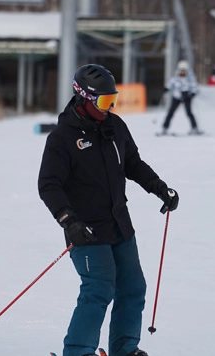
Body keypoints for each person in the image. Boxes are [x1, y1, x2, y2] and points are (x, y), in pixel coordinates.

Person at [38, 64, 180, 356]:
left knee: (133, 287)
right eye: (104, 101)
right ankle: (78, 351)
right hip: (86, 229)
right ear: (84, 98)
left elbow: (133, 164)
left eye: (112, 100)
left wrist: (159, 188)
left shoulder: (115, 127)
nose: (110, 107)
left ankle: (125, 349)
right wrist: (68, 220)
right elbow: (48, 185)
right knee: (99, 288)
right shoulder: (62, 137)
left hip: (118, 224)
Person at [160, 60, 201, 135]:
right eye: (181, 70)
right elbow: (171, 84)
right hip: (177, 96)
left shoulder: (191, 78)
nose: (182, 72)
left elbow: (195, 87)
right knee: (171, 112)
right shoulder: (176, 77)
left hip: (186, 97)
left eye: (184, 70)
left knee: (189, 112)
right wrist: (166, 88)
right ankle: (165, 128)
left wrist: (192, 94)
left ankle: (194, 128)